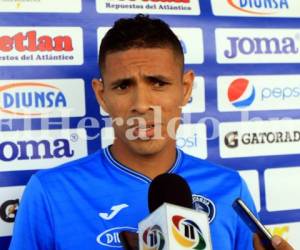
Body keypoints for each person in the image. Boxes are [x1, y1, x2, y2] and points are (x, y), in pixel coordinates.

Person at [10, 14, 257, 250]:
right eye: (123, 85)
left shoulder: (231, 188)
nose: (141, 103)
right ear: (101, 95)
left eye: (158, 83)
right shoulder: (50, 192)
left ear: (185, 88)